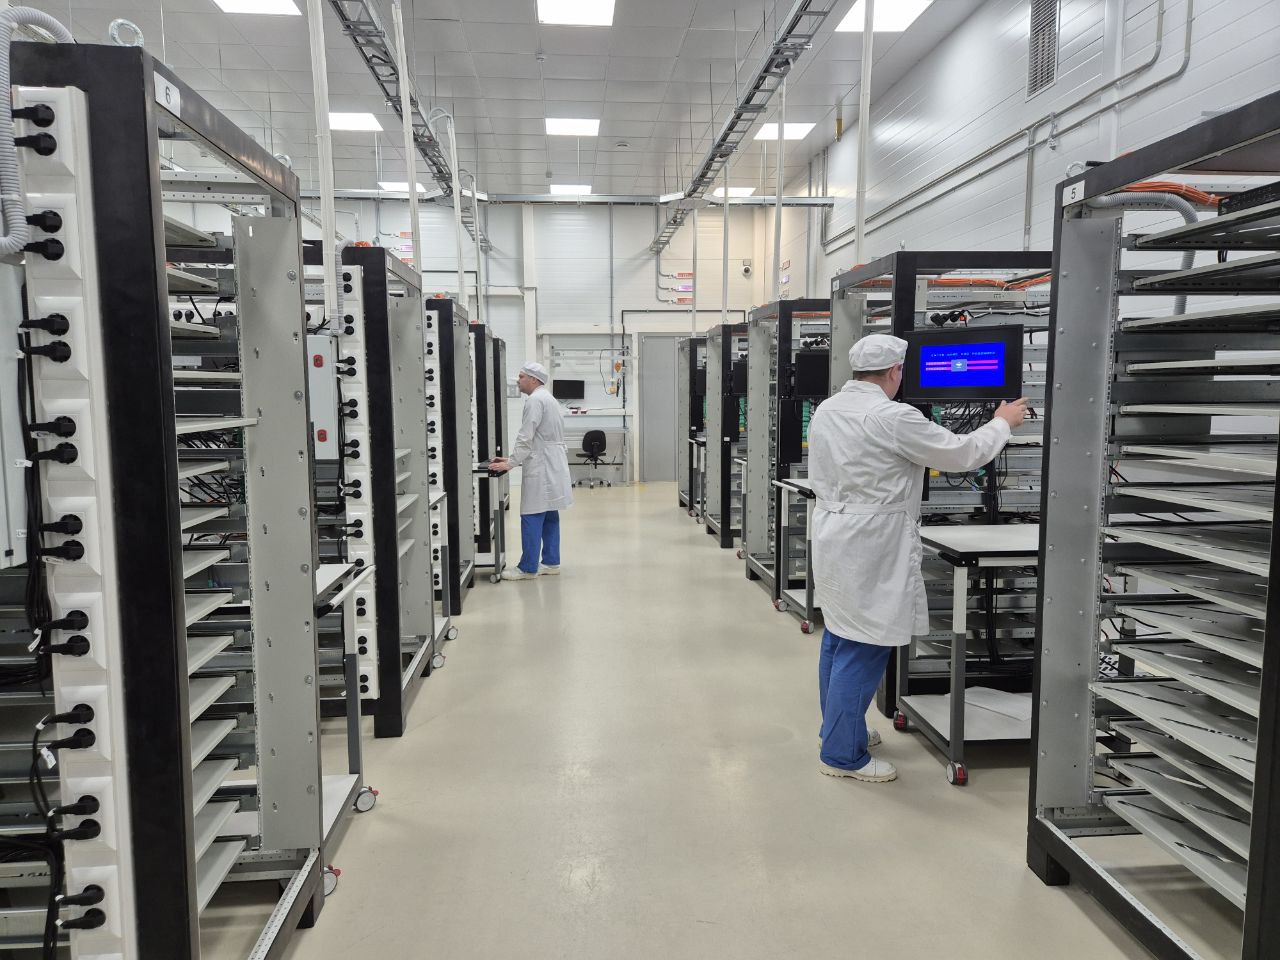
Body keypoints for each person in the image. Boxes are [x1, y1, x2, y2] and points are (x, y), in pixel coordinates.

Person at [808, 333, 1027, 783]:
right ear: (895, 371)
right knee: (865, 646)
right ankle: (842, 755)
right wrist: (1002, 423)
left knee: (840, 636)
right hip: (872, 541)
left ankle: (839, 731)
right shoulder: (892, 416)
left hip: (835, 534)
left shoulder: (829, 408)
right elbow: (962, 454)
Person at [489, 361, 574, 580]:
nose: (518, 381)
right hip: (550, 463)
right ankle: (551, 562)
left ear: (533, 379)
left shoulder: (535, 400)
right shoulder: (549, 399)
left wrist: (510, 463)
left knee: (531, 514)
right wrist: (512, 459)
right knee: (549, 514)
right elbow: (540, 438)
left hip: (542, 466)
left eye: (521, 376)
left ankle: (528, 568)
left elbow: (526, 437)